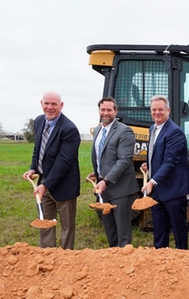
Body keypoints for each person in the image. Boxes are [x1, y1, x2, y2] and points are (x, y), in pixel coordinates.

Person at [22, 91, 81, 249]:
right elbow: (38, 147)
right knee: (45, 223)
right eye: (46, 103)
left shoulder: (69, 129)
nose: (50, 107)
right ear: (41, 103)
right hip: (44, 183)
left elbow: (64, 162)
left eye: (54, 104)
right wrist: (33, 168)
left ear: (61, 106)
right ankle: (47, 256)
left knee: (67, 227)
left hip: (64, 185)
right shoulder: (39, 121)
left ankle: (66, 257)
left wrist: (46, 184)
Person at [141, 95, 189, 249]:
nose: (157, 112)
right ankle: (160, 259)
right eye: (154, 110)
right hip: (158, 190)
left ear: (168, 110)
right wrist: (149, 164)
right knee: (159, 229)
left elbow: (170, 162)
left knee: (178, 229)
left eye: (160, 109)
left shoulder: (174, 132)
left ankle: (182, 258)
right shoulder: (153, 128)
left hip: (174, 190)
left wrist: (152, 181)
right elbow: (159, 155)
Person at [90, 97, 138, 247]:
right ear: (99, 111)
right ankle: (113, 258)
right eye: (103, 110)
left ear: (115, 111)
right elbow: (101, 156)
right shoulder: (98, 130)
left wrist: (106, 180)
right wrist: (97, 173)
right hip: (104, 188)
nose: (105, 113)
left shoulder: (125, 131)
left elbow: (124, 160)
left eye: (109, 110)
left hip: (121, 188)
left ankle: (125, 260)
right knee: (109, 228)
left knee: (122, 230)